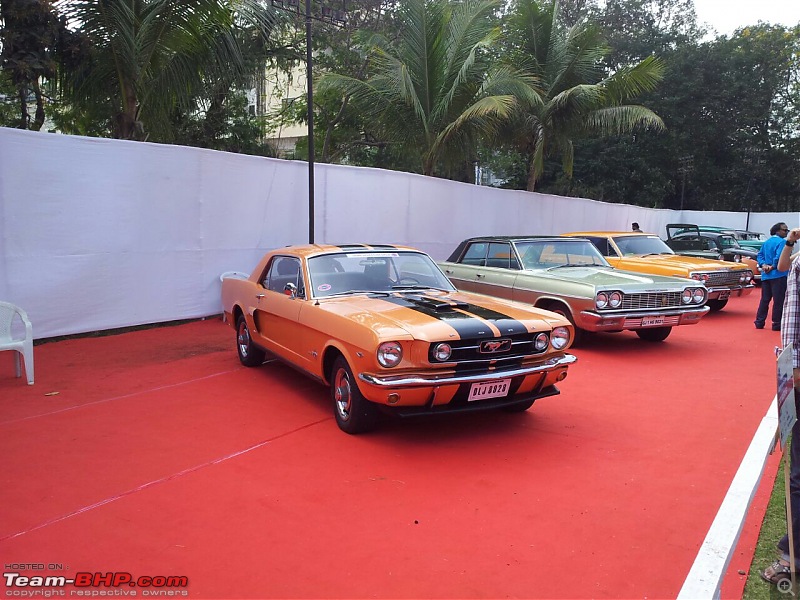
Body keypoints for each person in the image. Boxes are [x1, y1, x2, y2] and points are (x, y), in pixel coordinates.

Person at [762, 227, 800, 585]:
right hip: (793, 364)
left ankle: (792, 556)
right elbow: (782, 266)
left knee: (798, 472)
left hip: (798, 369)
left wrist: (793, 369)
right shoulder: (792, 251)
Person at [755, 222, 790, 331]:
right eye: (785, 230)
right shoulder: (782, 242)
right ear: (777, 231)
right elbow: (779, 256)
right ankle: (776, 324)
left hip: (766, 275)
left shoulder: (766, 242)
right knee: (778, 300)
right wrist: (773, 266)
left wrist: (763, 264)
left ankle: (759, 322)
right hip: (779, 275)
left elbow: (759, 255)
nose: (786, 232)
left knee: (765, 299)